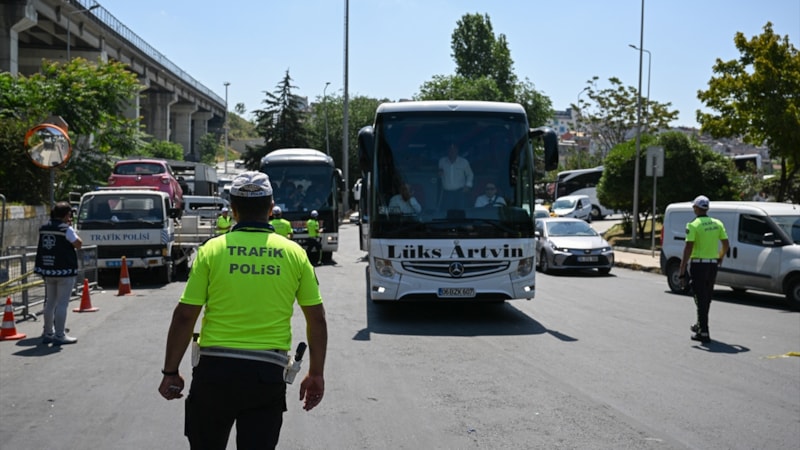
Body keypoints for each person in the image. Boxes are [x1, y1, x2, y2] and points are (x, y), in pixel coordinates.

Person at [158, 171, 327, 449]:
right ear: (271, 208)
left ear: (233, 210)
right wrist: (316, 373)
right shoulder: (295, 253)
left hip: (214, 373)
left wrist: (170, 371)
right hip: (266, 375)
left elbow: (185, 315)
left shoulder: (212, 250)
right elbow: (316, 319)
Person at [679, 195, 729, 343]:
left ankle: (704, 332)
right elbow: (726, 244)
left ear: (695, 208)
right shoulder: (717, 223)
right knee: (706, 297)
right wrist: (720, 257)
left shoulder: (693, 225)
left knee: (699, 297)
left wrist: (682, 270)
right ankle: (700, 325)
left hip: (698, 265)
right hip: (712, 265)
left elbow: (688, 247)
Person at [34, 201, 82, 345]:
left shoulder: (44, 228)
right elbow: (78, 244)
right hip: (64, 270)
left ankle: (48, 332)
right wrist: (71, 228)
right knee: (62, 304)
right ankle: (60, 335)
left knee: (50, 302)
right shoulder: (65, 229)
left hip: (48, 269)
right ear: (67, 214)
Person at [438, 143, 473, 210]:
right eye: (450, 150)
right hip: (447, 193)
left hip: (460, 192)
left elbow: (470, 174)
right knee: (446, 212)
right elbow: (440, 172)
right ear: (447, 151)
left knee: (461, 211)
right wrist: (439, 173)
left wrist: (468, 185)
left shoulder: (464, 162)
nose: (452, 152)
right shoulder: (442, 161)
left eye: (454, 150)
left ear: (457, 151)